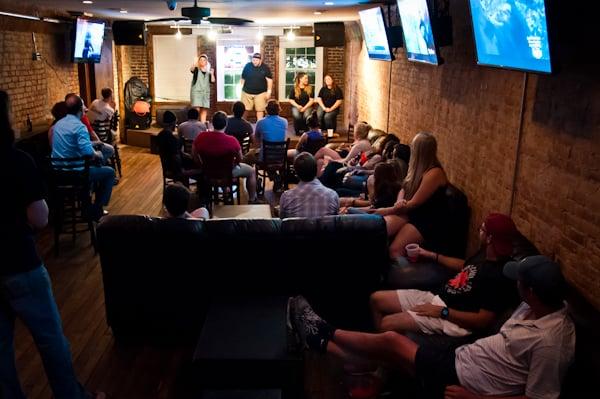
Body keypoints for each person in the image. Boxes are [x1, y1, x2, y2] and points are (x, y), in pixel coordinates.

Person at [290, 254, 575, 399]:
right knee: (392, 356)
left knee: (391, 341)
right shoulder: (536, 305)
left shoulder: (552, 342)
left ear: (533, 292)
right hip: (463, 357)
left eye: (521, 283)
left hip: (465, 378)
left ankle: (323, 332)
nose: (517, 286)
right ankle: (324, 343)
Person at [0, 90, 105, 399]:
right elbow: (40, 218)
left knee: (2, 346)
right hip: (19, 261)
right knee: (50, 338)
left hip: (59, 178)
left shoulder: (54, 128)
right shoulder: (17, 161)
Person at [370, 213, 519, 337]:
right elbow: (465, 265)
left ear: (489, 238)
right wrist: (432, 255)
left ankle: (377, 361)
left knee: (387, 323)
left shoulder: (500, 275)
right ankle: (381, 354)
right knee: (376, 299)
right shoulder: (486, 253)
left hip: (451, 318)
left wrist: (443, 312)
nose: (479, 230)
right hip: (438, 298)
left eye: (483, 229)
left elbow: (482, 320)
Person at [374, 132, 448, 259]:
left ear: (419, 151)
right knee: (378, 232)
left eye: (413, 147)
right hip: (413, 214)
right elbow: (404, 187)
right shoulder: (417, 168)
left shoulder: (435, 173)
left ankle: (402, 277)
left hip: (427, 221)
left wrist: (389, 209)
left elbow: (415, 203)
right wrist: (399, 201)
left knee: (394, 251)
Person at [52, 94, 115, 220]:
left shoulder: (59, 124)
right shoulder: (79, 127)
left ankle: (88, 202)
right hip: (76, 173)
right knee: (109, 172)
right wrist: (98, 154)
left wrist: (92, 143)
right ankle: (96, 209)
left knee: (98, 165)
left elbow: (72, 144)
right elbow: (88, 153)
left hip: (58, 173)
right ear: (80, 109)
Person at [192, 111, 260, 203]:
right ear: (226, 124)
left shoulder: (201, 137)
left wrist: (202, 166)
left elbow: (194, 155)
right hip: (228, 172)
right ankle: (252, 199)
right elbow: (240, 159)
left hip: (208, 171)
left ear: (212, 122)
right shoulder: (232, 140)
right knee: (251, 171)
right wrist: (233, 164)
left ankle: (220, 192)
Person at [279, 152, 339, 218]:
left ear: (296, 174)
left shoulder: (286, 197)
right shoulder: (332, 195)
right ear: (316, 170)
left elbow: (283, 222)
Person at [245, 99, 287, 165]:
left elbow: (256, 140)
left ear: (266, 110)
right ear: (278, 109)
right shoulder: (285, 121)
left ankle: (247, 172)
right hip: (280, 156)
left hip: (264, 157)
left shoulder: (260, 122)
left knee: (247, 157)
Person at [240, 52, 273, 120]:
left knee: (260, 110)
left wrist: (269, 92)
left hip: (261, 93)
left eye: (256, 60)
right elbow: (243, 78)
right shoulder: (247, 66)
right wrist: (241, 88)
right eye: (253, 60)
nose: (254, 62)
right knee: (244, 109)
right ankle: (242, 124)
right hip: (246, 92)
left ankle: (259, 125)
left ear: (260, 60)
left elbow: (269, 80)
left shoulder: (265, 68)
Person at [189, 54, 215, 123]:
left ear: (206, 62)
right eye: (200, 60)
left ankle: (202, 126)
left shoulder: (208, 72)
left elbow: (212, 81)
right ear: (198, 61)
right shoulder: (196, 70)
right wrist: (194, 63)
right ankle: (195, 125)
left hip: (205, 94)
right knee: (196, 111)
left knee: (204, 111)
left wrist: (212, 73)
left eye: (204, 60)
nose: (202, 61)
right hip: (197, 93)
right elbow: (191, 69)